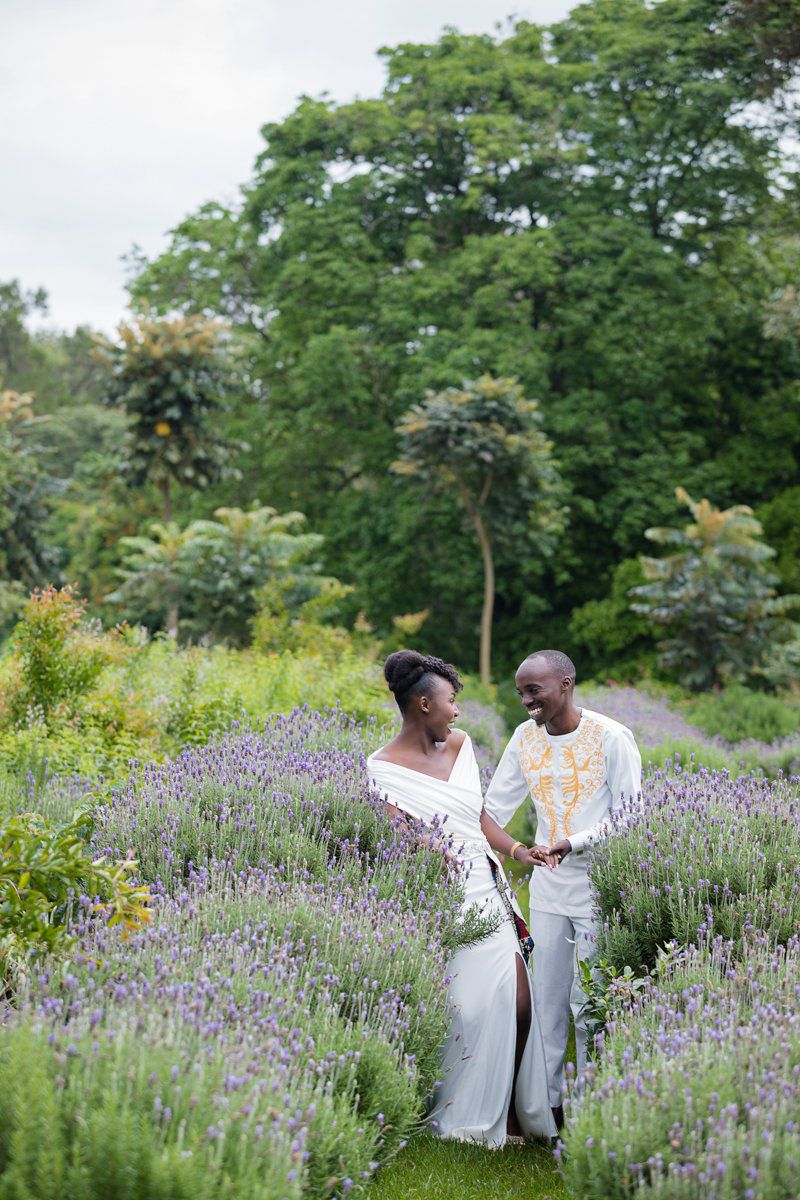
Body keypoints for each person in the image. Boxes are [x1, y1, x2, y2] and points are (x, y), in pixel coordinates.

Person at [367, 649, 556, 1147]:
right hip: (438, 897)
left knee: (519, 999)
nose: (457, 710)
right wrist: (421, 843)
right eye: (451, 700)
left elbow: (477, 815)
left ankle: (515, 1114)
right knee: (467, 1008)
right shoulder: (381, 768)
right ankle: (460, 1108)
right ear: (424, 704)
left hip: (485, 886)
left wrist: (517, 848)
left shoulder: (461, 745)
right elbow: (395, 832)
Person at [485, 649, 642, 1127]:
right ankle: (549, 1112)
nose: (527, 701)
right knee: (548, 999)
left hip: (601, 885)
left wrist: (574, 842)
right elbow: (490, 811)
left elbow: (631, 814)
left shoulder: (612, 737)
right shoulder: (523, 738)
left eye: (536, 690)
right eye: (521, 692)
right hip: (548, 887)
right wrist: (517, 851)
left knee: (589, 1002)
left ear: (567, 684)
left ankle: (594, 1109)